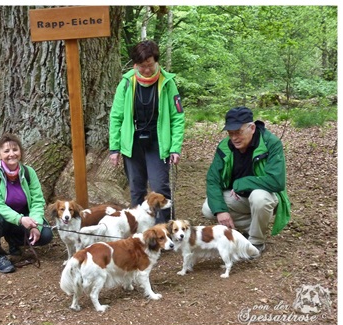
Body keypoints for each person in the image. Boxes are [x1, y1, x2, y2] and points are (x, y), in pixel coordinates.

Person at [108, 40, 185, 223]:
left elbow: (177, 117)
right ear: (135, 65)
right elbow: (116, 117)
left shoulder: (168, 83)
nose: (147, 70)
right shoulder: (126, 83)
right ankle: (139, 229)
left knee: (160, 187)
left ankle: (164, 230)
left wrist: (175, 147)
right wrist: (114, 148)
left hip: (158, 142)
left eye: (150, 65)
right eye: (142, 66)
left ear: (156, 61)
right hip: (132, 143)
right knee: (136, 188)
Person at [202, 106, 291, 253]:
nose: (234, 138)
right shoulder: (225, 146)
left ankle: (256, 243)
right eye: (230, 133)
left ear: (252, 128)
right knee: (209, 209)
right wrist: (221, 211)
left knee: (259, 198)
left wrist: (241, 183)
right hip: (238, 199)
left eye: (238, 132)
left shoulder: (271, 143)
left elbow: (277, 181)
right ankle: (252, 226)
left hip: (266, 197)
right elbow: (213, 180)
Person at [0, 133, 53, 273]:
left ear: (20, 152)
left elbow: (38, 200)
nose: (11, 154)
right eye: (6, 151)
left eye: (15, 150)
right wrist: (20, 219)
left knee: (45, 235)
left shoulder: (28, 172)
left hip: (21, 216)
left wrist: (35, 223)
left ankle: (14, 241)